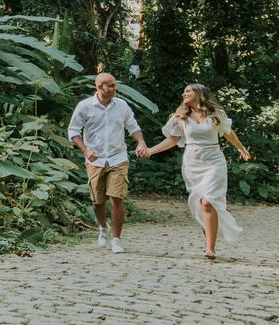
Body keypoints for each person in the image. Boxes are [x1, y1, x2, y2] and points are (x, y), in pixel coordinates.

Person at [145, 83, 251, 259]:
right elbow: (172, 140)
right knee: (199, 203)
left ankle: (210, 249)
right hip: (192, 164)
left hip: (214, 162)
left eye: (188, 91)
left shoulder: (216, 114)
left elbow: (228, 132)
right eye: (184, 91)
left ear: (199, 93)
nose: (183, 94)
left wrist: (241, 148)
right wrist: (150, 150)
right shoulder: (181, 117)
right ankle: (209, 234)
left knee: (208, 202)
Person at [67, 73, 149, 253]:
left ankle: (116, 240)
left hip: (118, 157)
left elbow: (133, 127)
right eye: (111, 85)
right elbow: (73, 131)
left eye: (115, 85)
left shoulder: (122, 105)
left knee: (117, 198)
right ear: (99, 87)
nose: (115, 88)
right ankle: (103, 227)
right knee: (98, 201)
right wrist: (86, 150)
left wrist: (141, 142)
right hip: (95, 159)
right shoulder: (85, 106)